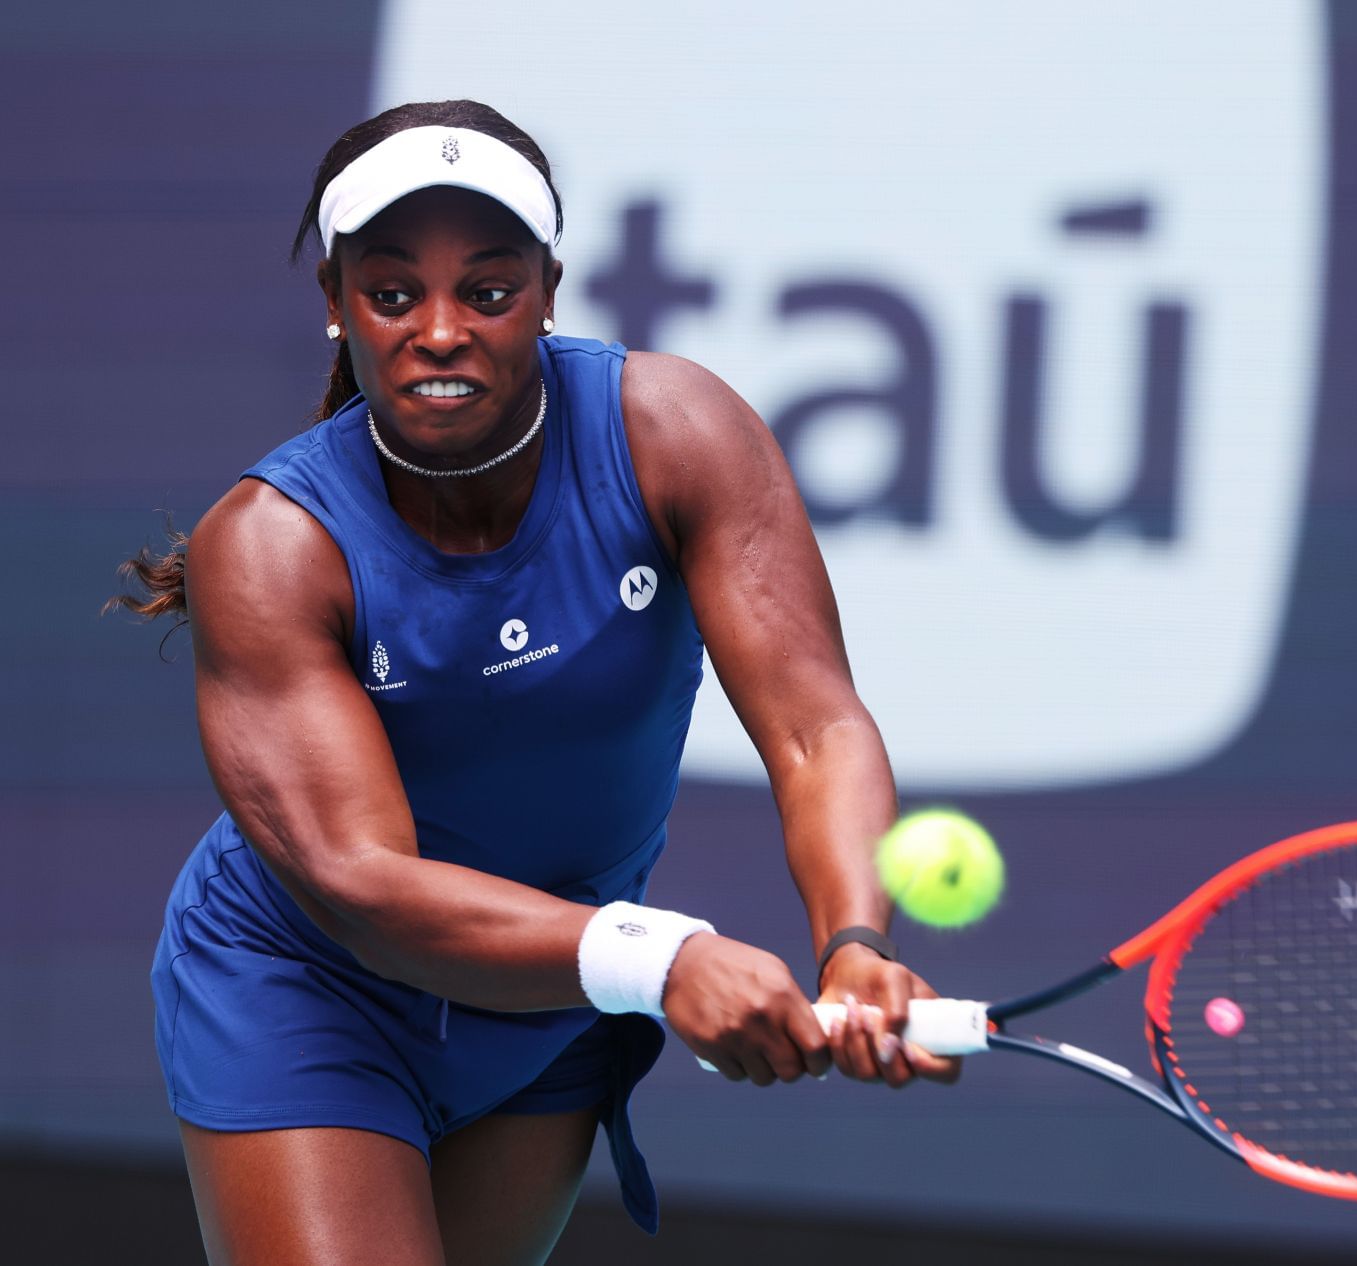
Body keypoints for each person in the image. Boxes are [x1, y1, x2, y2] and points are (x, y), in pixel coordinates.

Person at [110, 98, 957, 1266]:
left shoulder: (678, 432)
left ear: (551, 291)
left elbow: (815, 727)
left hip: (552, 1002)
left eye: (491, 290)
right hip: (309, 988)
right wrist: (659, 960)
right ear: (337, 307)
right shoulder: (266, 545)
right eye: (394, 292)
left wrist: (856, 941)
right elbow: (364, 883)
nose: (441, 329)